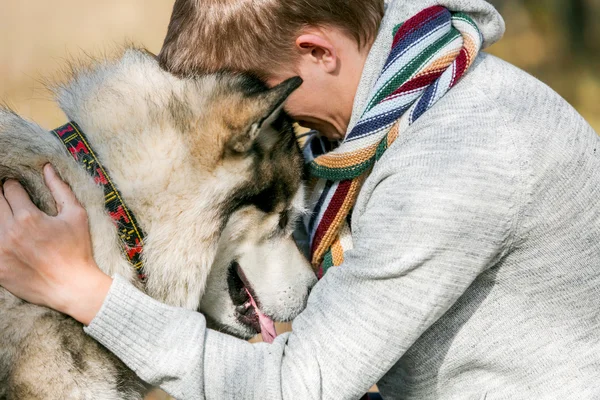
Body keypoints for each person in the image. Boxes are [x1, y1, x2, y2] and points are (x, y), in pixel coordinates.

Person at [1, 0, 600, 398]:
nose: (269, 126)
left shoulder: (463, 154)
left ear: (318, 52)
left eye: (253, 96)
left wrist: (82, 291)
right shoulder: (400, 95)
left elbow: (298, 387)